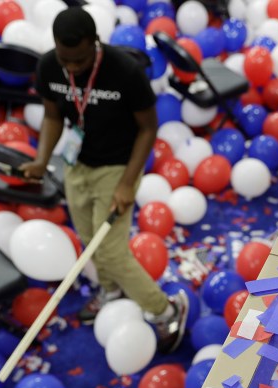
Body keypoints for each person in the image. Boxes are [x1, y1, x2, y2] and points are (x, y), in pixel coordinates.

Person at [19, 7, 188, 353]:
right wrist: (40, 160)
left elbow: (148, 127)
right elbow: (52, 116)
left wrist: (127, 183)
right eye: (66, 60)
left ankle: (166, 310)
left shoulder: (124, 71)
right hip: (77, 161)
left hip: (119, 165)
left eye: (79, 61)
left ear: (95, 43)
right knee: (87, 236)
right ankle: (109, 291)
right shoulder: (49, 66)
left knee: (108, 249)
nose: (72, 68)